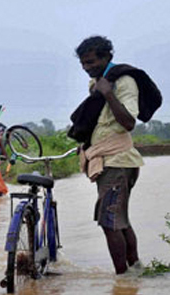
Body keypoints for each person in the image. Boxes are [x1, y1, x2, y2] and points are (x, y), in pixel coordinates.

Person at [74, 36, 147, 275]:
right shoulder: (96, 83)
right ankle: (135, 270)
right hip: (106, 160)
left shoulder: (123, 82)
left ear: (107, 58)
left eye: (91, 62)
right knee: (119, 221)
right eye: (83, 63)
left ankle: (123, 280)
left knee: (109, 222)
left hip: (119, 161)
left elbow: (128, 122)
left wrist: (108, 93)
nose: (87, 67)